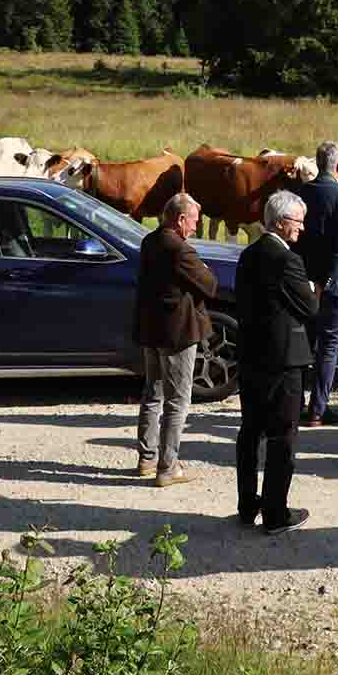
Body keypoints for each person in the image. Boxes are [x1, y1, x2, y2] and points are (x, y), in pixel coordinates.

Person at [235, 190, 318, 534]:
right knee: (283, 436)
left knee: (251, 430)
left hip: (252, 355)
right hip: (283, 361)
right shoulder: (288, 260)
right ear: (282, 223)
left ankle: (247, 503)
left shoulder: (249, 254)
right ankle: (275, 513)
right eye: (298, 222)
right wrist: (312, 288)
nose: (301, 228)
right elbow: (310, 307)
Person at [135, 193, 219, 485]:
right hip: (178, 332)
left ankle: (147, 458)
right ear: (181, 219)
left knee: (153, 394)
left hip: (152, 329)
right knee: (177, 400)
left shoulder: (150, 240)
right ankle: (167, 466)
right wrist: (206, 270)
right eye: (195, 221)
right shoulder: (179, 249)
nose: (197, 227)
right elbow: (209, 286)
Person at [296, 141, 338, 427]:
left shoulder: (300, 193)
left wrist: (310, 281)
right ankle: (318, 409)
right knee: (329, 346)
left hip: (302, 281)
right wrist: (327, 282)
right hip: (335, 285)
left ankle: (296, 404)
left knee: (302, 344)